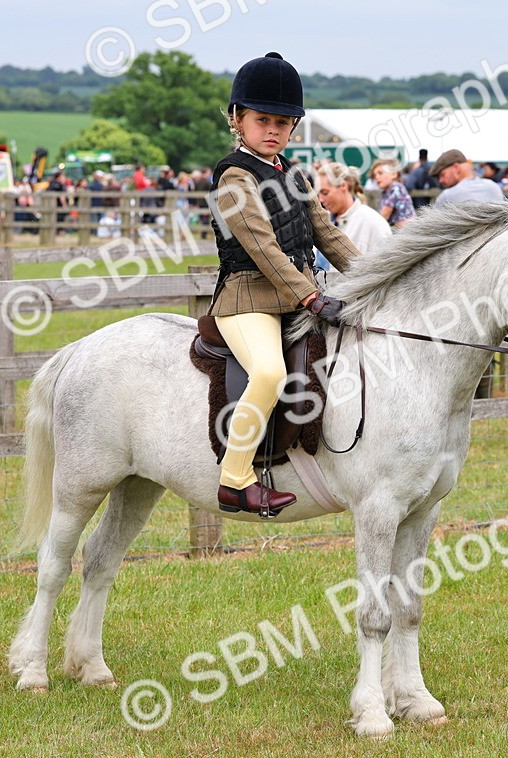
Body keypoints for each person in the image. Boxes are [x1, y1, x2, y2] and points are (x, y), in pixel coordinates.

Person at [208, 52, 359, 516]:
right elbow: (262, 247)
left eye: (283, 122)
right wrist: (311, 295)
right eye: (262, 120)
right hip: (247, 298)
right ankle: (235, 480)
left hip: (296, 296)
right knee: (270, 372)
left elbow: (327, 234)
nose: (273, 129)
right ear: (238, 119)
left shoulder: (291, 173)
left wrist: (377, 277)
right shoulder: (234, 176)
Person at [317, 161, 391, 255]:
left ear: (343, 185)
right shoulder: (322, 221)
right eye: (318, 194)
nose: (320, 199)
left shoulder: (373, 222)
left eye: (325, 192)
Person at [429, 149, 504, 206]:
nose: (440, 181)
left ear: (456, 168)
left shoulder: (446, 198)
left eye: (442, 175)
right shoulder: (493, 187)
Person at [369, 159, 415, 228]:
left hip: (406, 231)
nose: (376, 177)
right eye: (374, 175)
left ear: (394, 174)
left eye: (380, 173)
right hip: (398, 230)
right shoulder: (385, 192)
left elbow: (384, 216)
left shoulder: (396, 188)